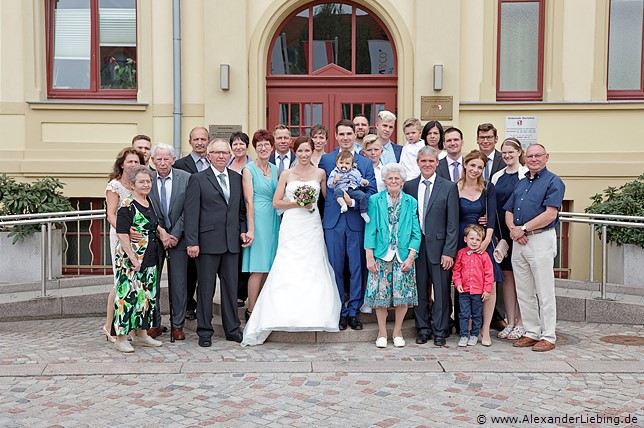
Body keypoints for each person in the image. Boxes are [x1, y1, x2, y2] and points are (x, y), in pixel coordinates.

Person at [241, 138, 341, 346]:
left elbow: (327, 199)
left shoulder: (321, 174)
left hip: (312, 224)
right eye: (300, 151)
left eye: (307, 150)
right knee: (288, 265)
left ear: (313, 151)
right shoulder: (285, 174)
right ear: (295, 152)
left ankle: (314, 313)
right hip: (292, 224)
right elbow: (276, 202)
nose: (304, 154)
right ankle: (280, 311)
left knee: (313, 265)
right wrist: (298, 203)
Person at [184, 138, 250, 347]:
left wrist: (242, 232)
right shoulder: (198, 179)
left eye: (224, 152)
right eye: (217, 152)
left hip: (231, 243)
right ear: (209, 155)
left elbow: (239, 211)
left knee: (231, 289)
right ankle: (205, 331)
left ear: (229, 155)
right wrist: (192, 242)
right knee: (206, 289)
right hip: (206, 243)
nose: (221, 156)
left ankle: (232, 329)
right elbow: (191, 213)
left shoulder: (236, 178)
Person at [505, 144, 565, 352]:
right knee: (524, 290)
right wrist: (514, 229)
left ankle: (548, 335)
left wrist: (524, 228)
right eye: (530, 156)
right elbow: (509, 210)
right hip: (519, 241)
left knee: (544, 290)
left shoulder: (553, 181)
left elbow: (551, 214)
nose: (533, 159)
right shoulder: (521, 183)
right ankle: (531, 332)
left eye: (538, 155)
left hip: (539, 240)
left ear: (546, 157)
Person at [320, 119, 377, 331]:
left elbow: (371, 191)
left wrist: (354, 202)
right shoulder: (326, 160)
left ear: (355, 135)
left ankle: (354, 311)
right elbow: (320, 190)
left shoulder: (364, 162)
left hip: (355, 220)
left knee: (356, 268)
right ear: (336, 136)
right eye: (341, 134)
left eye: (349, 134)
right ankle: (339, 310)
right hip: (333, 221)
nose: (345, 138)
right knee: (335, 268)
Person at [402, 146, 458, 347]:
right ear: (418, 163)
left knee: (441, 291)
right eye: (423, 161)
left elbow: (453, 223)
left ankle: (440, 330)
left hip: (440, 247)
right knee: (419, 291)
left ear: (437, 163)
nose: (427, 164)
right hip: (416, 248)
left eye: (431, 161)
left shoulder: (449, 187)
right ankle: (423, 328)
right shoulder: (408, 186)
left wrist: (449, 252)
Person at [113, 166, 171, 352]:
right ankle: (121, 338)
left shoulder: (148, 202)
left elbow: (153, 224)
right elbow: (122, 234)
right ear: (132, 185)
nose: (146, 184)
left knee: (146, 297)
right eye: (142, 182)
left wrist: (162, 233)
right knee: (127, 297)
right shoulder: (127, 206)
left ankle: (142, 335)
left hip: (150, 256)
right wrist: (132, 258)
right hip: (132, 260)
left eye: (148, 181)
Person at [364, 163, 421, 348]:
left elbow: (416, 232)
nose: (394, 181)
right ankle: (381, 332)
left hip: (403, 255)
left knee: (402, 295)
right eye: (390, 178)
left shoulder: (411, 202)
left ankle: (397, 331)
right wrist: (369, 256)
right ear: (384, 181)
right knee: (380, 296)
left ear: (403, 182)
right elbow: (370, 229)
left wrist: (411, 256)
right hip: (381, 254)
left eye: (397, 178)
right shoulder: (375, 200)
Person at [456, 149, 503, 346]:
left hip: (482, 238)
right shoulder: (454, 187)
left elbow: (491, 216)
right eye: (473, 165)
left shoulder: (487, 188)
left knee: (488, 284)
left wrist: (486, 240)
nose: (475, 170)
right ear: (465, 165)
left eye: (480, 167)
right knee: (462, 282)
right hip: (461, 238)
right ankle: (466, 329)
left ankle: (485, 330)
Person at [148, 143, 191, 341]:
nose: (163, 163)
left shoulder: (186, 178)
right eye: (159, 159)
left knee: (179, 283)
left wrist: (174, 234)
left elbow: (188, 210)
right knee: (152, 283)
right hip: (154, 238)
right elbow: (146, 208)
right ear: (153, 160)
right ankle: (155, 324)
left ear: (173, 160)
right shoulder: (146, 179)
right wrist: (162, 233)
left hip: (178, 239)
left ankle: (178, 325)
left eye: (166, 159)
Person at [101, 147, 143, 343]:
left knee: (134, 283)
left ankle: (131, 328)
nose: (133, 165)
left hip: (139, 238)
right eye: (130, 162)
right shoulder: (114, 186)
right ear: (122, 164)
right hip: (120, 236)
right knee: (120, 282)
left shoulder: (140, 183)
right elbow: (111, 214)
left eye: (136, 162)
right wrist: (125, 230)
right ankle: (110, 326)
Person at [241, 129, 281, 322]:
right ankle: (251, 310)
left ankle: (263, 307)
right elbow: (248, 200)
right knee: (258, 267)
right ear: (255, 148)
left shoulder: (274, 169)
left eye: (267, 144)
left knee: (269, 265)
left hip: (274, 219)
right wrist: (251, 229)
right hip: (257, 218)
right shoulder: (249, 169)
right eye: (260, 145)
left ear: (272, 148)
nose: (263, 148)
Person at [491, 138, 529, 340]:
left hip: (521, 234)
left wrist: (520, 230)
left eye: (510, 152)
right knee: (507, 278)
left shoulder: (526, 175)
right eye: (504, 152)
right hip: (503, 234)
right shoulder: (497, 176)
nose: (506, 156)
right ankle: (510, 320)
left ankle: (523, 322)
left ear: (519, 152)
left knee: (522, 278)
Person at [173, 127, 211, 321]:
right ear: (190, 142)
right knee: (190, 269)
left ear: (208, 141)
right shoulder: (180, 164)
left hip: (211, 224)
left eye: (203, 139)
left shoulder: (215, 161)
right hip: (189, 222)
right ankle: (188, 305)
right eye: (196, 139)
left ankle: (205, 304)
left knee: (207, 268)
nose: (199, 142)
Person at [452, 224, 493, 347]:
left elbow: (489, 274)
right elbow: (456, 270)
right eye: (472, 239)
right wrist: (457, 283)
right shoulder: (461, 253)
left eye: (478, 240)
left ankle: (474, 334)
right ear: (465, 239)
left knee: (476, 314)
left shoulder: (484, 255)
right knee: (463, 314)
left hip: (478, 292)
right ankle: (464, 335)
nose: (474, 242)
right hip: (464, 291)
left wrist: (487, 290)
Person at [226, 131, 252, 308]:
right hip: (229, 215)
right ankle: (231, 291)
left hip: (247, 213)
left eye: (242, 143)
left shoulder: (252, 166)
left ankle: (241, 293)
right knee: (231, 254)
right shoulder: (227, 165)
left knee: (244, 254)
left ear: (247, 146)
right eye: (235, 144)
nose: (238, 147)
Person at [327, 151, 370, 222]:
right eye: (341, 163)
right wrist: (334, 181)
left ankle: (364, 212)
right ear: (337, 164)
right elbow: (329, 184)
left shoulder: (355, 172)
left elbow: (359, 180)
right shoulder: (334, 172)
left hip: (352, 189)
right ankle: (343, 204)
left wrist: (364, 182)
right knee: (337, 193)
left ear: (351, 165)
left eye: (347, 163)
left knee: (362, 195)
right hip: (341, 189)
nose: (344, 165)